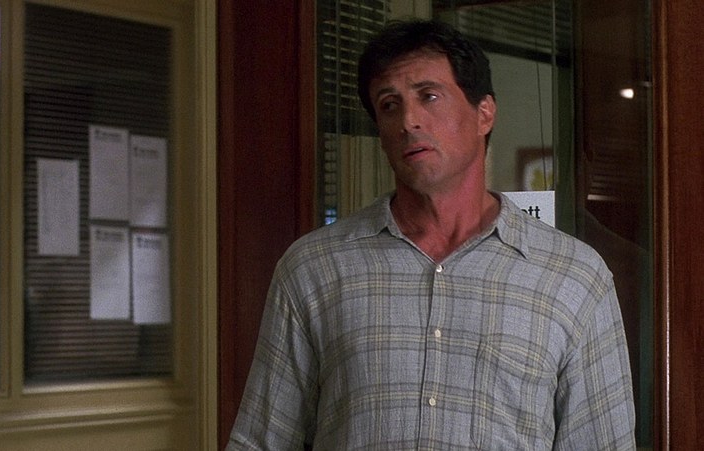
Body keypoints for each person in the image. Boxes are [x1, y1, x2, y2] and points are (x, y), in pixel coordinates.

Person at [227, 19, 636, 450]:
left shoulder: (572, 277)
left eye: (429, 96)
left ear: (484, 113)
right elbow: (262, 441)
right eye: (389, 105)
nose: (408, 121)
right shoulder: (314, 268)